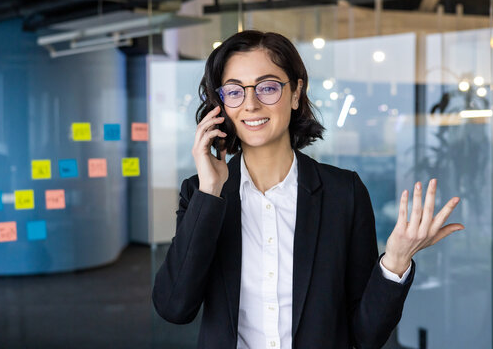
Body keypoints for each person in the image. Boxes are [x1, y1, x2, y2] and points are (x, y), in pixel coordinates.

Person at [152, 30, 464, 349]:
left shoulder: (344, 192)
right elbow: (175, 307)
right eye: (234, 92)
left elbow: (366, 336)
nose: (251, 104)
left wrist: (395, 261)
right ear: (221, 103)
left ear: (296, 92)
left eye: (268, 87)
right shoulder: (201, 194)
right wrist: (210, 192)